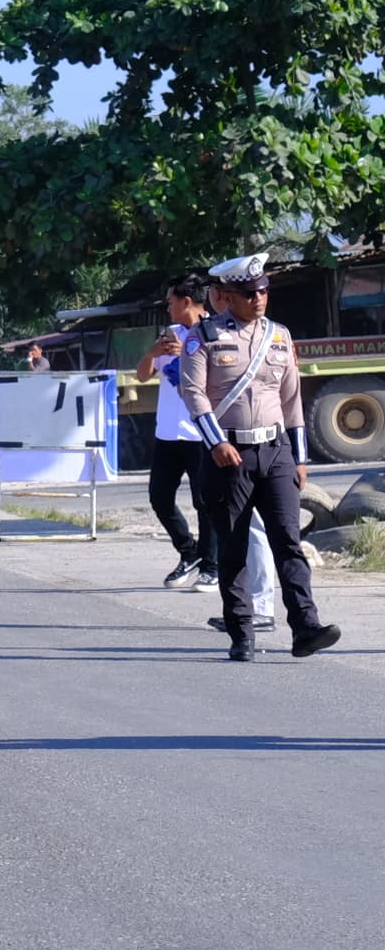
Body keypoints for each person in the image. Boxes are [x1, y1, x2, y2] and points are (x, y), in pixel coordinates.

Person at [181, 254, 340, 660]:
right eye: (250, 293)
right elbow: (193, 394)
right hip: (228, 456)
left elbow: (292, 400)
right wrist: (216, 442)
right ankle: (242, 632)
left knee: (288, 542)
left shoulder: (280, 337)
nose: (260, 298)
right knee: (233, 549)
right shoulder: (204, 337)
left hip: (275, 453)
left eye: (264, 290)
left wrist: (300, 458)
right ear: (227, 297)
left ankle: (306, 627)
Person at [141, 278, 212, 588]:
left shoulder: (215, 332)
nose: (167, 306)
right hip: (168, 433)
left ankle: (212, 565)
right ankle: (189, 552)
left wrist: (187, 352)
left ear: (186, 301)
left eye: (171, 301)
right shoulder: (168, 335)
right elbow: (142, 376)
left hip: (200, 433)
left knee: (205, 502)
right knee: (159, 496)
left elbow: (219, 377)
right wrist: (152, 352)